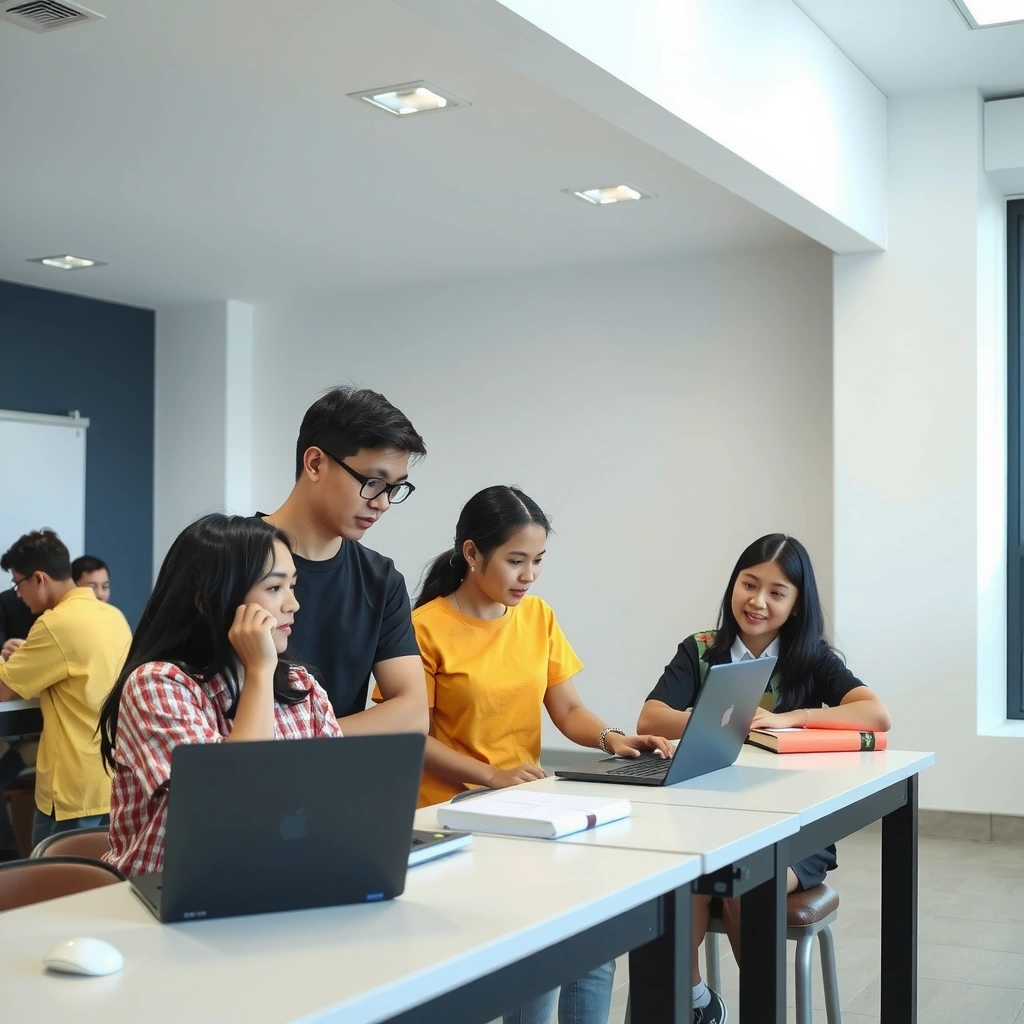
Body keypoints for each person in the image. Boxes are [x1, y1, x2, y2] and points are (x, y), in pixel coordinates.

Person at [409, 485, 672, 1024]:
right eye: (516, 561)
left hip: (524, 804)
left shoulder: (537, 617)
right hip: (451, 815)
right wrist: (492, 775)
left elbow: (568, 709)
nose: (529, 575)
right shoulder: (426, 628)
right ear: (471, 553)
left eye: (538, 561)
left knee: (594, 943)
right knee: (546, 951)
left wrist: (615, 739)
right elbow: (411, 739)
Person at [637, 534, 891, 1024]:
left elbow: (875, 714)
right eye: (748, 585)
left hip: (795, 827)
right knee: (680, 878)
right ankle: (694, 1004)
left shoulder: (811, 657)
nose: (757, 601)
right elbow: (651, 719)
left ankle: (761, 1009)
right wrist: (725, 718)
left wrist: (792, 718)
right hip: (709, 817)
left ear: (796, 605)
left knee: (742, 883)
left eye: (777, 592)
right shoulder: (702, 650)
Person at [100, 514, 341, 877]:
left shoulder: (300, 686)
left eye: (293, 586)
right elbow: (234, 802)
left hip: (276, 879)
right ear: (208, 600)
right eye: (275, 589)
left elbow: (336, 799)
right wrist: (259, 671)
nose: (293, 604)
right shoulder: (157, 685)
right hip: (164, 895)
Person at [261, 386, 428, 735]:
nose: (382, 503)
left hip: (334, 779)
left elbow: (412, 714)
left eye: (395, 488)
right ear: (315, 463)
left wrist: (297, 741)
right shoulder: (227, 555)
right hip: (235, 776)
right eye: (372, 482)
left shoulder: (380, 580)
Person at [0, 529, 132, 849]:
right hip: (111, 775)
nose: (18, 594)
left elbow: (4, 691)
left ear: (40, 578)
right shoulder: (114, 616)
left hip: (72, 786)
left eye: (18, 583)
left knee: (50, 887)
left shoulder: (55, 624)